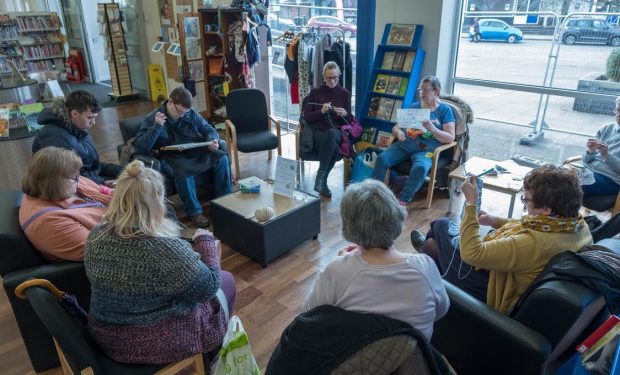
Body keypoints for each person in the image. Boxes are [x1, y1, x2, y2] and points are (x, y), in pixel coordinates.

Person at [84, 160, 236, 366]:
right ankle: (212, 357)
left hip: (105, 336)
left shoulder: (96, 235)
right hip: (148, 341)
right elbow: (207, 287)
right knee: (226, 282)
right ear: (156, 202)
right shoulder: (163, 249)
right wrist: (206, 241)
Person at [412, 165, 592, 314]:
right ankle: (429, 256)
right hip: (507, 273)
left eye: (526, 199)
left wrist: (471, 205)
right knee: (434, 244)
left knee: (441, 225)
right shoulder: (576, 224)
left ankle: (427, 261)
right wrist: (494, 220)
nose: (525, 203)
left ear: (546, 209)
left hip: (491, 289)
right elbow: (530, 225)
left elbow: (472, 254)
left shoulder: (534, 244)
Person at [302, 179, 449, 339]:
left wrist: (343, 265)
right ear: (397, 215)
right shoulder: (425, 267)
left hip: (355, 361)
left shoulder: (337, 272)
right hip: (414, 359)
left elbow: (307, 315)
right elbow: (441, 311)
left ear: (349, 227)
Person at [135, 87, 232, 227]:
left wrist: (212, 140)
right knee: (182, 172)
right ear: (170, 102)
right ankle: (194, 212)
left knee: (221, 158)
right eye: (179, 111)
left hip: (194, 150)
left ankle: (224, 202)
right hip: (172, 156)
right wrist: (156, 127)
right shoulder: (153, 118)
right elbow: (141, 147)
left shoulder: (190, 113)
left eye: (184, 112)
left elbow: (209, 130)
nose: (182, 115)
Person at [372, 76, 456, 206]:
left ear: (436, 91)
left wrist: (433, 129)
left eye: (426, 90)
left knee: (421, 167)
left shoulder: (445, 111)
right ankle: (375, 194)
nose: (421, 93)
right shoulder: (414, 107)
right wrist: (398, 132)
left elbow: (450, 137)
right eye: (420, 89)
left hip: (427, 150)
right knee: (382, 158)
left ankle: (404, 198)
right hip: (404, 145)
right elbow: (396, 127)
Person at [19, 146, 112, 261]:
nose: (79, 179)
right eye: (74, 177)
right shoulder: (49, 222)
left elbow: (106, 192)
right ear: (53, 182)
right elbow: (104, 250)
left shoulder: (63, 185)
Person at [33, 90, 122, 185]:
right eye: (90, 117)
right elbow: (69, 179)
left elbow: (93, 166)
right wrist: (102, 183)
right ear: (74, 114)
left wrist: (122, 171)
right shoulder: (54, 138)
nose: (94, 122)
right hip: (70, 189)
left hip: (89, 181)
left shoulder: (79, 129)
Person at [303, 61, 357, 198]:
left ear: (338, 76)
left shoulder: (345, 93)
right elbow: (307, 117)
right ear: (323, 77)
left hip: (336, 130)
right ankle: (323, 182)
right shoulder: (315, 92)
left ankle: (320, 178)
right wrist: (321, 111)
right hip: (318, 131)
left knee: (332, 134)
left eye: (335, 77)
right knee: (333, 147)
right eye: (329, 78)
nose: (332, 81)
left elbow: (349, 120)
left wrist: (344, 113)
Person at [580, 96, 620, 198]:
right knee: (549, 177)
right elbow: (585, 161)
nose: (619, 115)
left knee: (562, 187)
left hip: (609, 179)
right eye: (618, 110)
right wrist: (590, 151)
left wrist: (606, 155)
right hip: (587, 171)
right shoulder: (606, 128)